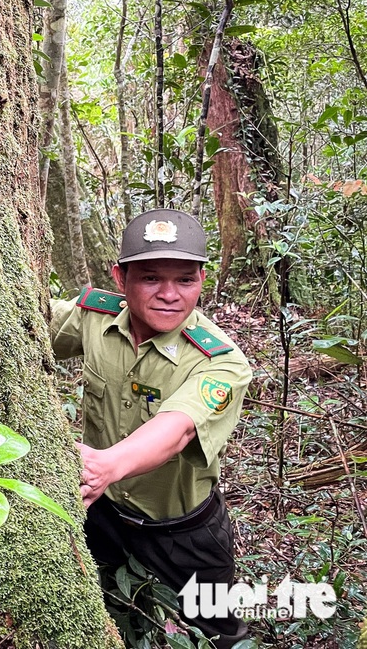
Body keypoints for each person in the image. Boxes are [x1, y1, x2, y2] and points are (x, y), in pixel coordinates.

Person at [50, 209, 252, 649]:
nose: (169, 295)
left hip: (183, 531)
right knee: (105, 613)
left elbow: (177, 428)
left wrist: (106, 465)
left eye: (185, 279)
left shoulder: (221, 361)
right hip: (102, 515)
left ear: (202, 279)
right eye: (150, 278)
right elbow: (20, 328)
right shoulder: (95, 318)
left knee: (218, 635)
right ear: (120, 278)